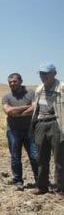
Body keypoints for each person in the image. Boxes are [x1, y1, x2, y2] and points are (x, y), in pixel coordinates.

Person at [29, 63, 64, 195]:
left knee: (59, 158)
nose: (43, 76)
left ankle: (61, 188)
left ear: (54, 73)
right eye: (41, 74)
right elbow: (36, 107)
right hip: (41, 124)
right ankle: (42, 186)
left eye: (46, 73)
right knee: (41, 158)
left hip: (57, 124)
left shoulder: (62, 88)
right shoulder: (39, 89)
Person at [1, 73, 38, 190]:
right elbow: (8, 111)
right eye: (10, 82)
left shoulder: (31, 93)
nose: (12, 84)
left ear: (21, 81)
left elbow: (34, 109)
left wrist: (16, 112)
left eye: (14, 81)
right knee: (16, 158)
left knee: (35, 156)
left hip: (30, 130)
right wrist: (25, 108)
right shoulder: (6, 97)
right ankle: (18, 181)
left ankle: (40, 181)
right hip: (13, 131)